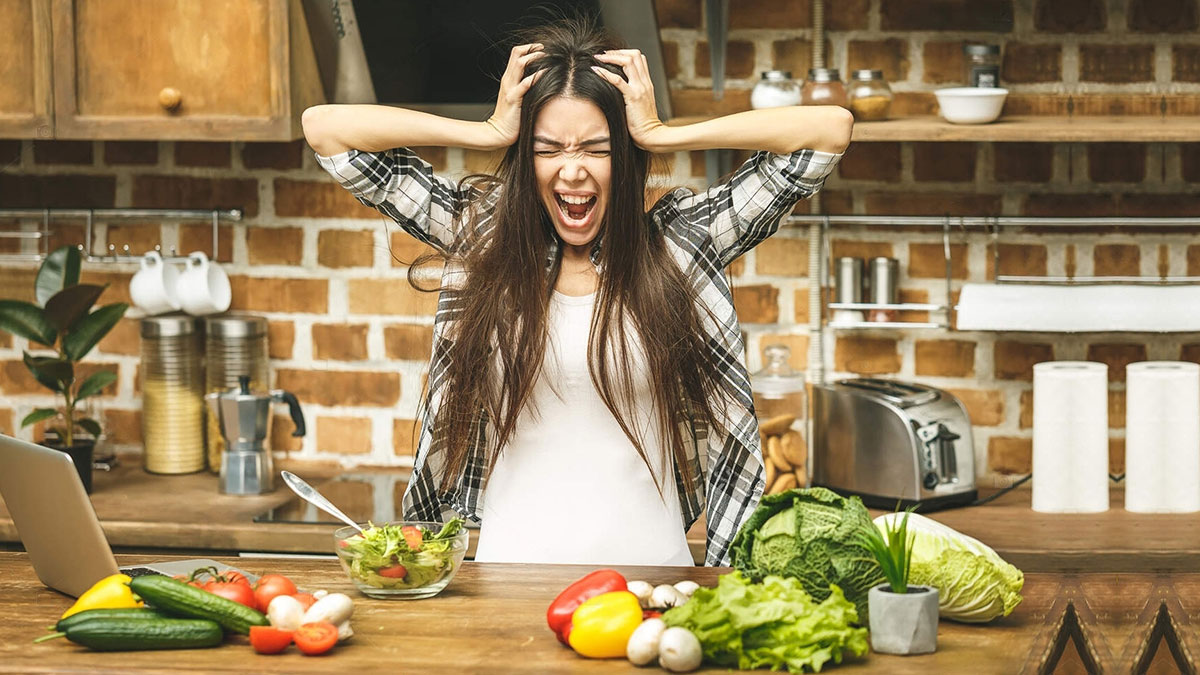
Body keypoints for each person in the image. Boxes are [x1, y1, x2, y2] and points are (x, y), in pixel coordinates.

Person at [303, 18, 851, 566]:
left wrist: (662, 133)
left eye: (597, 148)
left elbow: (828, 130)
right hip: (506, 583)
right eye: (548, 149)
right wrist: (490, 132)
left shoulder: (681, 245)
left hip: (651, 584)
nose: (572, 171)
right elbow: (326, 128)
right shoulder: (482, 238)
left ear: (627, 153)